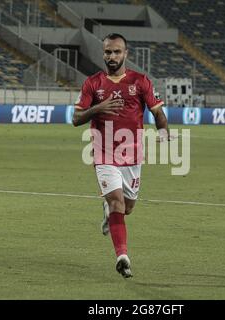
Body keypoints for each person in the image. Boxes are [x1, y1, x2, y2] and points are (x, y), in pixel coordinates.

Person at [72, 33, 171, 278]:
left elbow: (157, 112)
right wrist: (98, 108)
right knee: (116, 201)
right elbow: (76, 119)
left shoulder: (141, 81)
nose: (112, 56)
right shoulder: (93, 84)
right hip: (103, 153)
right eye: (108, 52)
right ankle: (122, 257)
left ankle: (109, 213)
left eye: (117, 52)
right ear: (103, 53)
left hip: (132, 154)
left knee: (126, 208)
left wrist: (164, 132)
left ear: (126, 53)